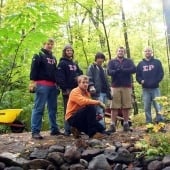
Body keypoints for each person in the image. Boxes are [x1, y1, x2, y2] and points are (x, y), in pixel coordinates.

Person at [29, 38, 61, 139]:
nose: (50, 46)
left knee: (53, 108)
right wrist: (32, 82)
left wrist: (57, 84)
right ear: (44, 44)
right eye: (48, 44)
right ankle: (35, 131)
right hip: (41, 84)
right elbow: (34, 68)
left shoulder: (54, 58)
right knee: (39, 108)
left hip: (53, 86)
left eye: (52, 44)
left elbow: (55, 72)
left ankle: (54, 129)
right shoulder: (38, 55)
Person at [65, 75, 107, 139]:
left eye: (87, 83)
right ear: (79, 83)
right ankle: (92, 134)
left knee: (102, 129)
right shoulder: (75, 91)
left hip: (82, 117)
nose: (85, 84)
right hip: (72, 118)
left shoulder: (87, 93)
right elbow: (83, 102)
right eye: (83, 82)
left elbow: (87, 109)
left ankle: (76, 129)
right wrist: (98, 102)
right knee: (90, 107)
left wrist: (95, 117)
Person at [107, 46, 136, 132]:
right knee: (114, 106)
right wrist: (116, 70)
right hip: (115, 86)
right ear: (117, 52)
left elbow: (134, 69)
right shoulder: (112, 61)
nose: (120, 52)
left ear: (124, 53)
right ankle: (112, 125)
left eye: (122, 51)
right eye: (119, 51)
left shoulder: (129, 61)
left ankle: (126, 124)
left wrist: (124, 70)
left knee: (126, 106)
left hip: (126, 86)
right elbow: (109, 72)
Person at [57, 45, 83, 136]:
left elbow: (81, 73)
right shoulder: (62, 63)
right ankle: (67, 130)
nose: (69, 52)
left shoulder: (74, 64)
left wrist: (78, 79)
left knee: (77, 109)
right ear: (64, 52)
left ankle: (76, 129)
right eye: (67, 50)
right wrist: (64, 88)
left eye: (71, 50)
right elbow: (60, 77)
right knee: (68, 110)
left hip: (76, 90)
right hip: (67, 90)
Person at [136, 47, 164, 124]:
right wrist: (140, 80)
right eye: (146, 51)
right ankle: (149, 123)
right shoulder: (140, 64)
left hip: (155, 88)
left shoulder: (157, 62)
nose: (147, 52)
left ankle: (160, 121)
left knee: (158, 105)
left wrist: (156, 81)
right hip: (145, 89)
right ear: (144, 52)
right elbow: (137, 75)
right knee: (146, 107)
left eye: (149, 51)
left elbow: (161, 73)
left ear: (151, 52)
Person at [87, 52, 112, 129]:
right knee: (99, 111)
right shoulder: (92, 67)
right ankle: (100, 128)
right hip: (97, 92)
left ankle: (101, 127)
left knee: (103, 110)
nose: (100, 60)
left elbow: (106, 81)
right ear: (96, 59)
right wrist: (91, 86)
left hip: (104, 92)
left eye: (102, 58)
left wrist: (109, 92)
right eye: (99, 58)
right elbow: (89, 77)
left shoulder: (103, 69)